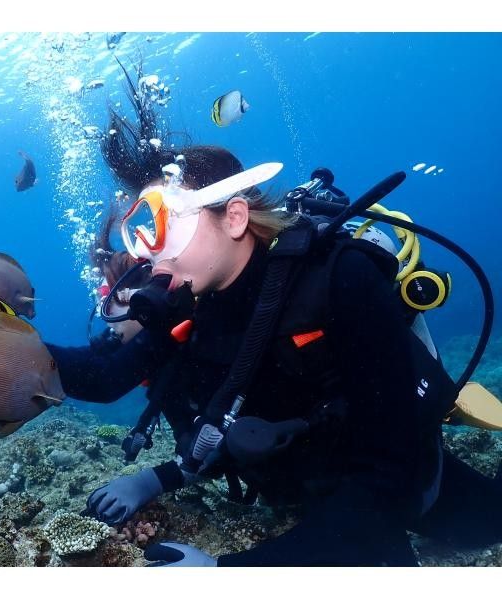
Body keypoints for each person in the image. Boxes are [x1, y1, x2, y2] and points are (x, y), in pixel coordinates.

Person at [44, 63, 502, 566]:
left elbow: (384, 482)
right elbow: (108, 377)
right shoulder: (195, 303)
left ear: (234, 216)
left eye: (163, 226)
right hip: (308, 499)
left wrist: (227, 571)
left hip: (395, 491)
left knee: (486, 524)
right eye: (139, 234)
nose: (151, 256)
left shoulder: (340, 280)